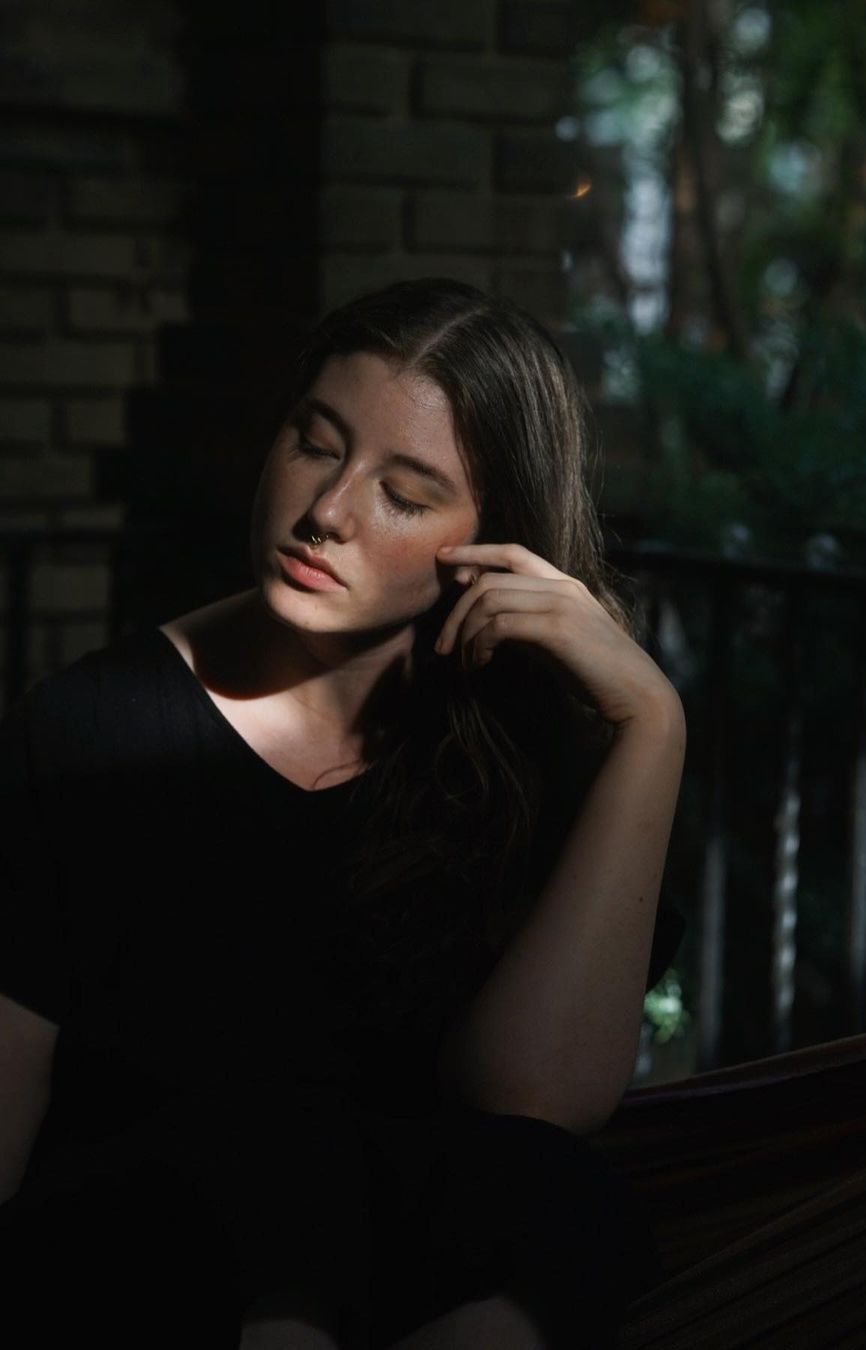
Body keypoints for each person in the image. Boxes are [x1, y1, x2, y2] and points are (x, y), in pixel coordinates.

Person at [0, 277, 690, 1350]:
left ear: (495, 543)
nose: (327, 511)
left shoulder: (523, 753)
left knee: (564, 1202)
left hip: (391, 1276)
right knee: (278, 1145)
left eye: (404, 495)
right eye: (315, 443)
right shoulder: (85, 733)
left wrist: (652, 724)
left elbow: (532, 1104)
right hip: (129, 1269)